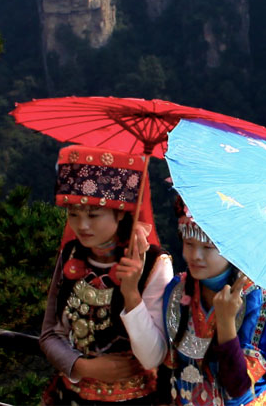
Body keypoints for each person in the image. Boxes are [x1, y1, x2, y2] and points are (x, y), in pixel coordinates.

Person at [40, 145, 174, 404]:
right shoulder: (71, 254)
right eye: (73, 214)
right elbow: (49, 333)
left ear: (121, 211)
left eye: (93, 214)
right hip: (70, 396)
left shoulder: (155, 264)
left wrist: (131, 293)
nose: (82, 225)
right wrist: (81, 366)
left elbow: (152, 357)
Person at [162, 196, 266, 406]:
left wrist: (226, 324)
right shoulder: (177, 289)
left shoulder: (258, 299)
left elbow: (238, 387)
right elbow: (168, 367)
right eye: (189, 243)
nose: (195, 256)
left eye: (208, 248)